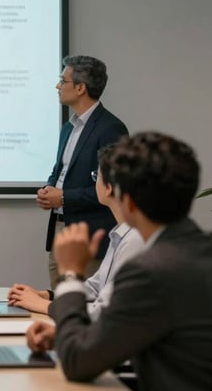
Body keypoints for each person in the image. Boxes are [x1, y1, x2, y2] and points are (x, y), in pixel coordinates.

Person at [26, 132, 212, 390]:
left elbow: (78, 363)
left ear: (127, 201)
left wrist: (71, 272)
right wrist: (74, 336)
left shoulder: (152, 269)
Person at [8, 144, 144, 319]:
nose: (96, 182)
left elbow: (103, 312)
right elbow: (95, 288)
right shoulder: (120, 232)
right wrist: (50, 296)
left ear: (109, 187)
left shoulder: (135, 240)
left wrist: (44, 306)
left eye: (97, 176)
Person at [38, 55, 128, 288]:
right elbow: (61, 170)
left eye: (62, 81)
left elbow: (113, 187)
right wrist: (49, 189)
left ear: (80, 88)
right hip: (61, 228)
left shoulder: (111, 128)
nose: (57, 86)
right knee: (58, 304)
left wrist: (64, 196)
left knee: (84, 307)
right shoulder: (69, 127)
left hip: (89, 237)